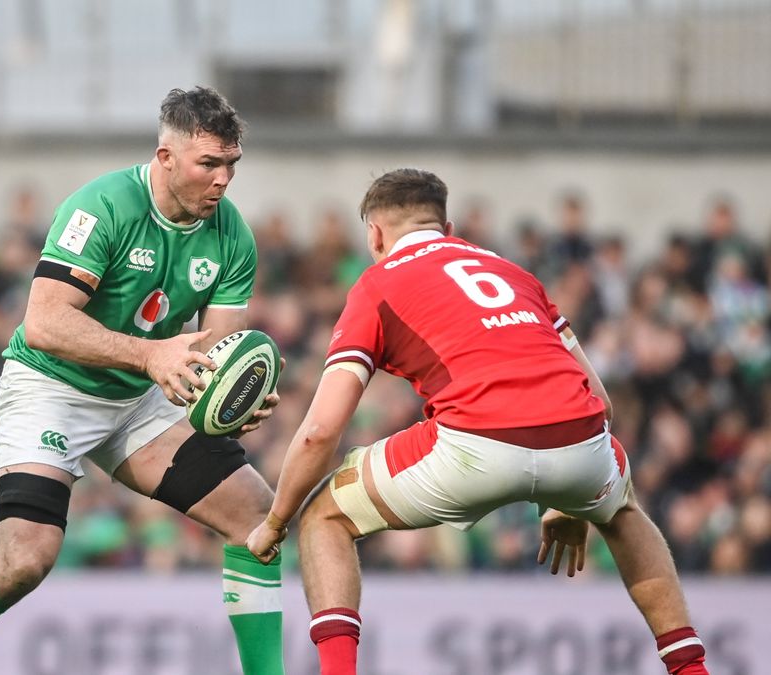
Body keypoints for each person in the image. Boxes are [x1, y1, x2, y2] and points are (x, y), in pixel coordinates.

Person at [246, 169, 708, 675]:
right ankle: (691, 669)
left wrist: (275, 522)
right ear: (448, 226)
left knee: (325, 518)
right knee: (623, 513)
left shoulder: (376, 284)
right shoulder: (516, 274)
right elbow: (597, 400)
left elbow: (319, 431)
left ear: (374, 235)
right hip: (579, 445)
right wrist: (567, 501)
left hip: (473, 446)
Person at [0, 87, 285, 675]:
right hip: (53, 388)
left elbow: (216, 354)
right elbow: (44, 323)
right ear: (166, 156)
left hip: (139, 399)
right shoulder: (100, 207)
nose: (223, 179)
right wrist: (149, 357)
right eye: (209, 164)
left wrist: (236, 399)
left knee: (257, 518)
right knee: (24, 561)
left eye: (232, 164)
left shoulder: (233, 237)